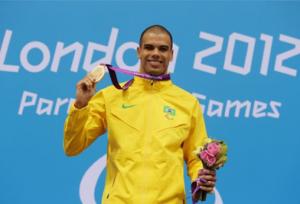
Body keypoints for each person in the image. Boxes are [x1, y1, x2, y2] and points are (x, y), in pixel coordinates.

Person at [64, 25, 216, 204]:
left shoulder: (188, 103)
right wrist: (80, 106)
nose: (156, 53)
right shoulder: (111, 96)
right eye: (149, 47)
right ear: (138, 51)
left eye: (163, 49)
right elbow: (73, 146)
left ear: (172, 54)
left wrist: (199, 181)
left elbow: (195, 157)